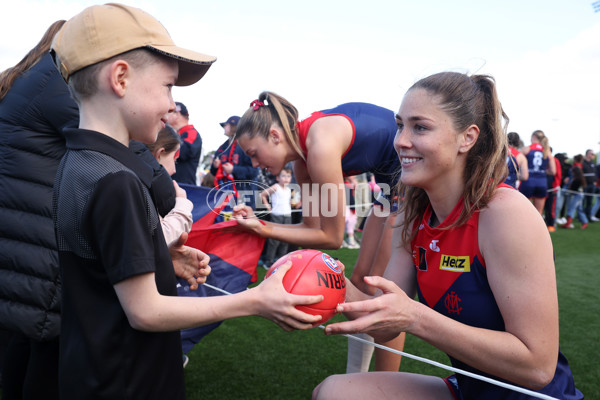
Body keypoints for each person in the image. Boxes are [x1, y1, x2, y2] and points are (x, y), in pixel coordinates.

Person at [50, 4, 323, 399]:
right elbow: (146, 311)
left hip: (90, 370)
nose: (170, 106)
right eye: (167, 87)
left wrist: (158, 257)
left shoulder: (76, 163)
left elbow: (95, 261)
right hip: (130, 380)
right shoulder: (117, 181)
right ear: (121, 78)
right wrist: (254, 301)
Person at [313, 72, 583, 400]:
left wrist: (416, 317)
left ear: (466, 138)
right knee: (332, 392)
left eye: (420, 127)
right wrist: (323, 281)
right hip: (468, 390)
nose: (400, 140)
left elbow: (538, 366)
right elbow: (385, 326)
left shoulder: (505, 213)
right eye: (400, 125)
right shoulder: (411, 214)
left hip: (535, 396)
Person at [231, 91, 404, 372]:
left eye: (253, 153)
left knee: (386, 294)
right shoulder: (303, 162)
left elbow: (332, 238)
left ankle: (387, 384)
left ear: (275, 136)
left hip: (409, 173)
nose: (254, 164)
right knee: (361, 281)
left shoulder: (319, 148)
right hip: (389, 185)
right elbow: (313, 229)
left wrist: (265, 229)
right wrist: (260, 225)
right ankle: (358, 377)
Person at [143, 124, 194, 246]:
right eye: (174, 160)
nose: (175, 169)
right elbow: (157, 242)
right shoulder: (141, 189)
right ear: (160, 154)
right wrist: (182, 205)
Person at [210, 115, 259, 202]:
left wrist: (233, 169)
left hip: (244, 195)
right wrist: (215, 166)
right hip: (226, 195)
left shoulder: (246, 145)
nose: (224, 127)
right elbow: (213, 172)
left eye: (226, 125)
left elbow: (254, 171)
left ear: (234, 127)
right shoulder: (222, 148)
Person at [260, 167, 294, 268]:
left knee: (285, 240)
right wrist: (268, 208)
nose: (286, 178)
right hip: (277, 216)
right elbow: (262, 195)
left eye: (288, 176)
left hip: (288, 215)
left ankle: (281, 260)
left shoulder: (288, 189)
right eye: (283, 176)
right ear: (278, 178)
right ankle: (268, 262)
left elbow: (287, 201)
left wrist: (290, 204)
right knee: (274, 241)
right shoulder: (275, 187)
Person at [518, 129, 556, 215]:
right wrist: (542, 171)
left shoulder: (526, 149)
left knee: (523, 212)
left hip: (528, 181)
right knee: (539, 213)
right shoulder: (547, 151)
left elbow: (515, 161)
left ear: (534, 137)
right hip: (541, 182)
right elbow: (553, 171)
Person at [169, 101, 203, 185]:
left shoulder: (191, 132)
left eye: (169, 112)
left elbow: (183, 152)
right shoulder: (178, 134)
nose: (166, 115)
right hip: (174, 184)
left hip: (185, 186)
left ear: (177, 114)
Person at [560, 154, 589, 229]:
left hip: (577, 195)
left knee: (571, 208)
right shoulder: (579, 177)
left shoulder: (576, 179)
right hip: (579, 195)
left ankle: (568, 223)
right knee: (579, 209)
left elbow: (572, 189)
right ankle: (584, 222)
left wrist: (566, 190)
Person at [544, 147, 562, 232]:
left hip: (551, 188)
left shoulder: (555, 160)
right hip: (541, 187)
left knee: (550, 207)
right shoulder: (541, 159)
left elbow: (558, 174)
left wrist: (556, 186)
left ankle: (551, 224)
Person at [582, 149, 599, 221]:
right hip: (584, 185)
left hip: (592, 185)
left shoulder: (593, 164)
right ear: (587, 154)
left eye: (593, 154)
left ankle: (588, 216)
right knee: (582, 201)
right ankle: (581, 217)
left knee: (590, 202)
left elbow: (595, 174)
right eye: (591, 154)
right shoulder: (583, 163)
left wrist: (595, 181)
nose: (593, 155)